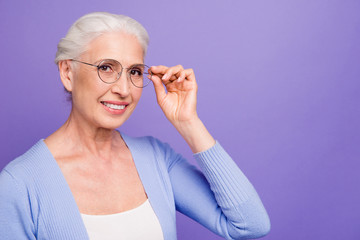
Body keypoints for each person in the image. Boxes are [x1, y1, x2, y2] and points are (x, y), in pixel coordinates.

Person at [0, 12, 270, 240]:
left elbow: (250, 225)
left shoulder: (156, 159)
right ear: (68, 73)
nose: (124, 89)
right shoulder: (20, 184)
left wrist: (188, 122)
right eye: (106, 68)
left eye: (134, 72)